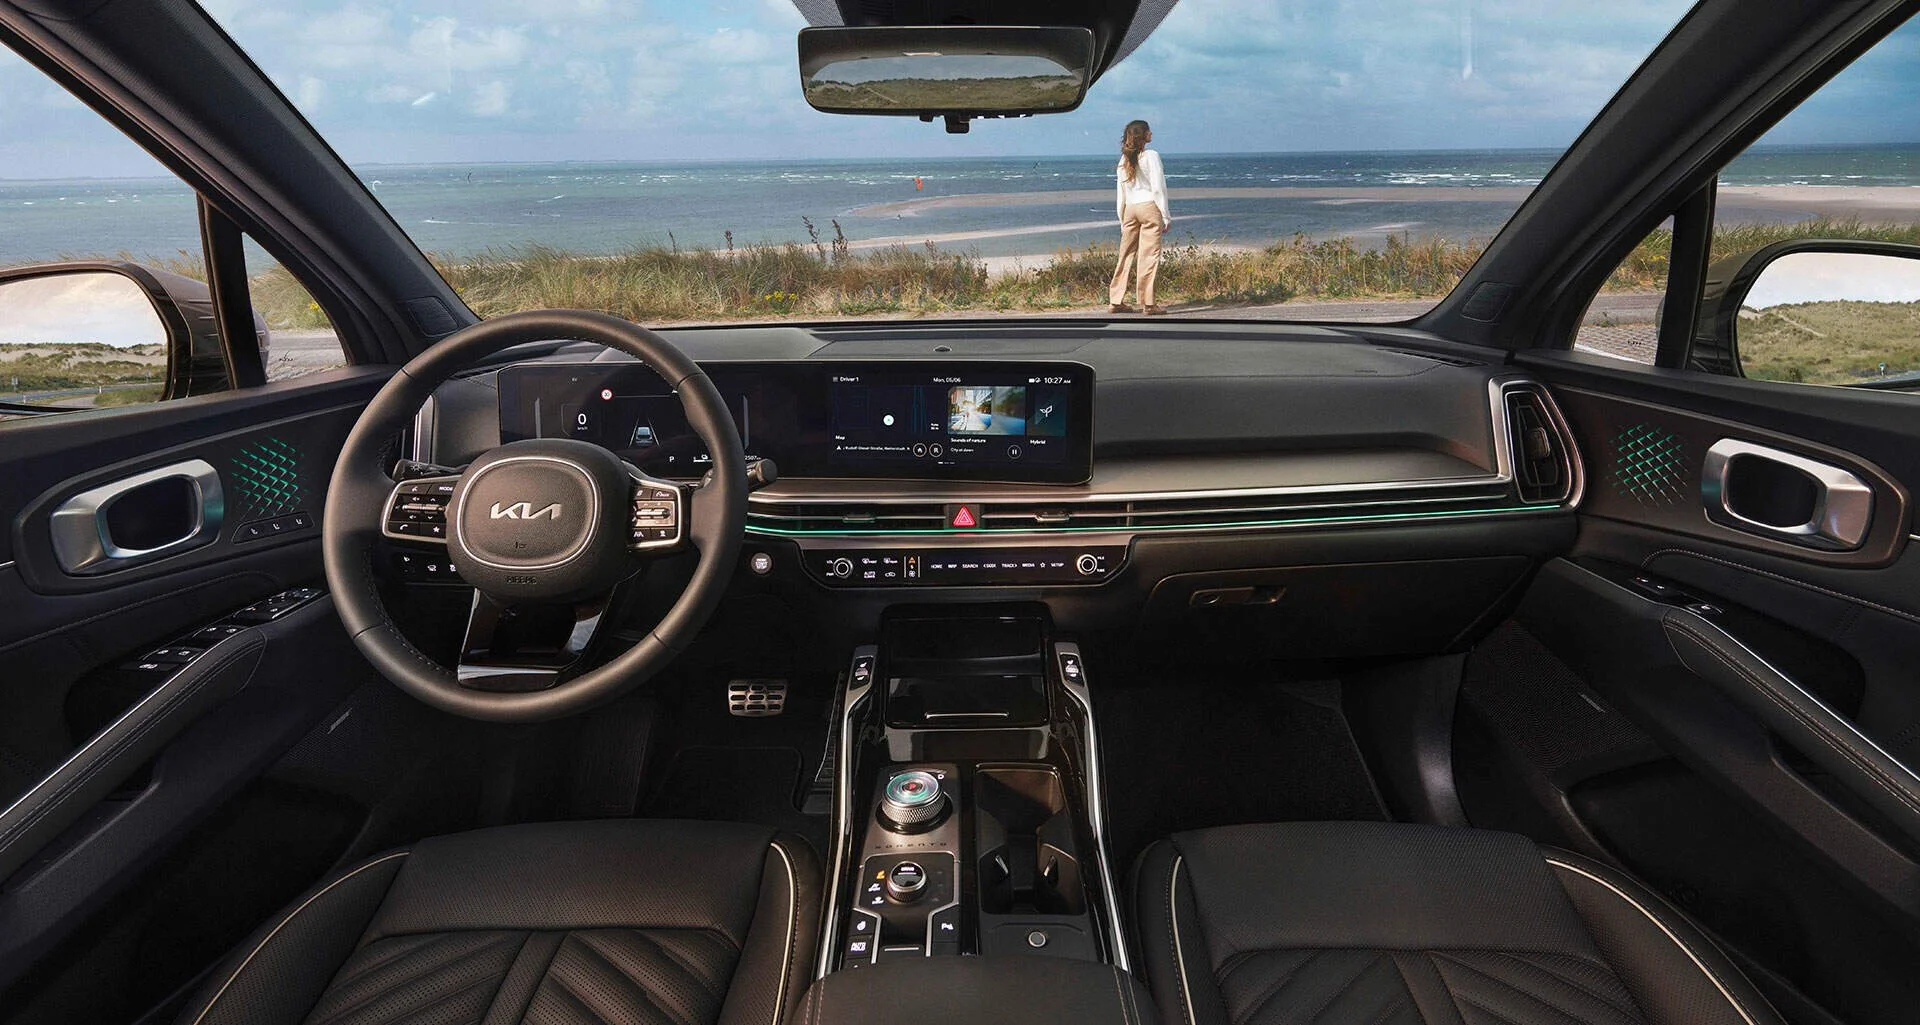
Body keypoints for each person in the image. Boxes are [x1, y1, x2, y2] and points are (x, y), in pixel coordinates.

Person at [1109, 119, 1170, 314]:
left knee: (1125, 255)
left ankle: (1115, 300)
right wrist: (1165, 215)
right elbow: (1158, 187)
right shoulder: (1151, 155)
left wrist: (1122, 218)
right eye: (1148, 131)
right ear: (1143, 135)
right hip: (1148, 207)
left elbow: (1121, 192)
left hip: (1130, 209)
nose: (1151, 133)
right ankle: (1148, 303)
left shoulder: (1124, 158)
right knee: (1149, 256)